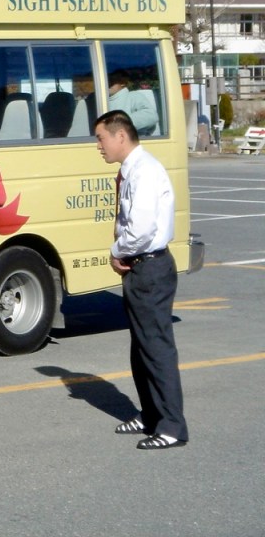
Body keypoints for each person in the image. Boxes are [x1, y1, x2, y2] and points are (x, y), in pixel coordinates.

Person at [94, 109, 188, 450]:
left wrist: (118, 250)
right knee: (142, 347)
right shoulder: (131, 170)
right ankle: (150, 415)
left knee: (156, 347)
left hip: (149, 266)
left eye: (101, 139)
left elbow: (142, 228)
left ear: (121, 136)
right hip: (140, 267)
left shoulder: (144, 171)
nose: (99, 147)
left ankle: (172, 426)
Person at [107, 69, 159, 137]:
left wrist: (120, 122)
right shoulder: (99, 102)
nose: (108, 83)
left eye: (112, 81)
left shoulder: (134, 96)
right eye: (107, 81)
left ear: (123, 82)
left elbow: (151, 116)